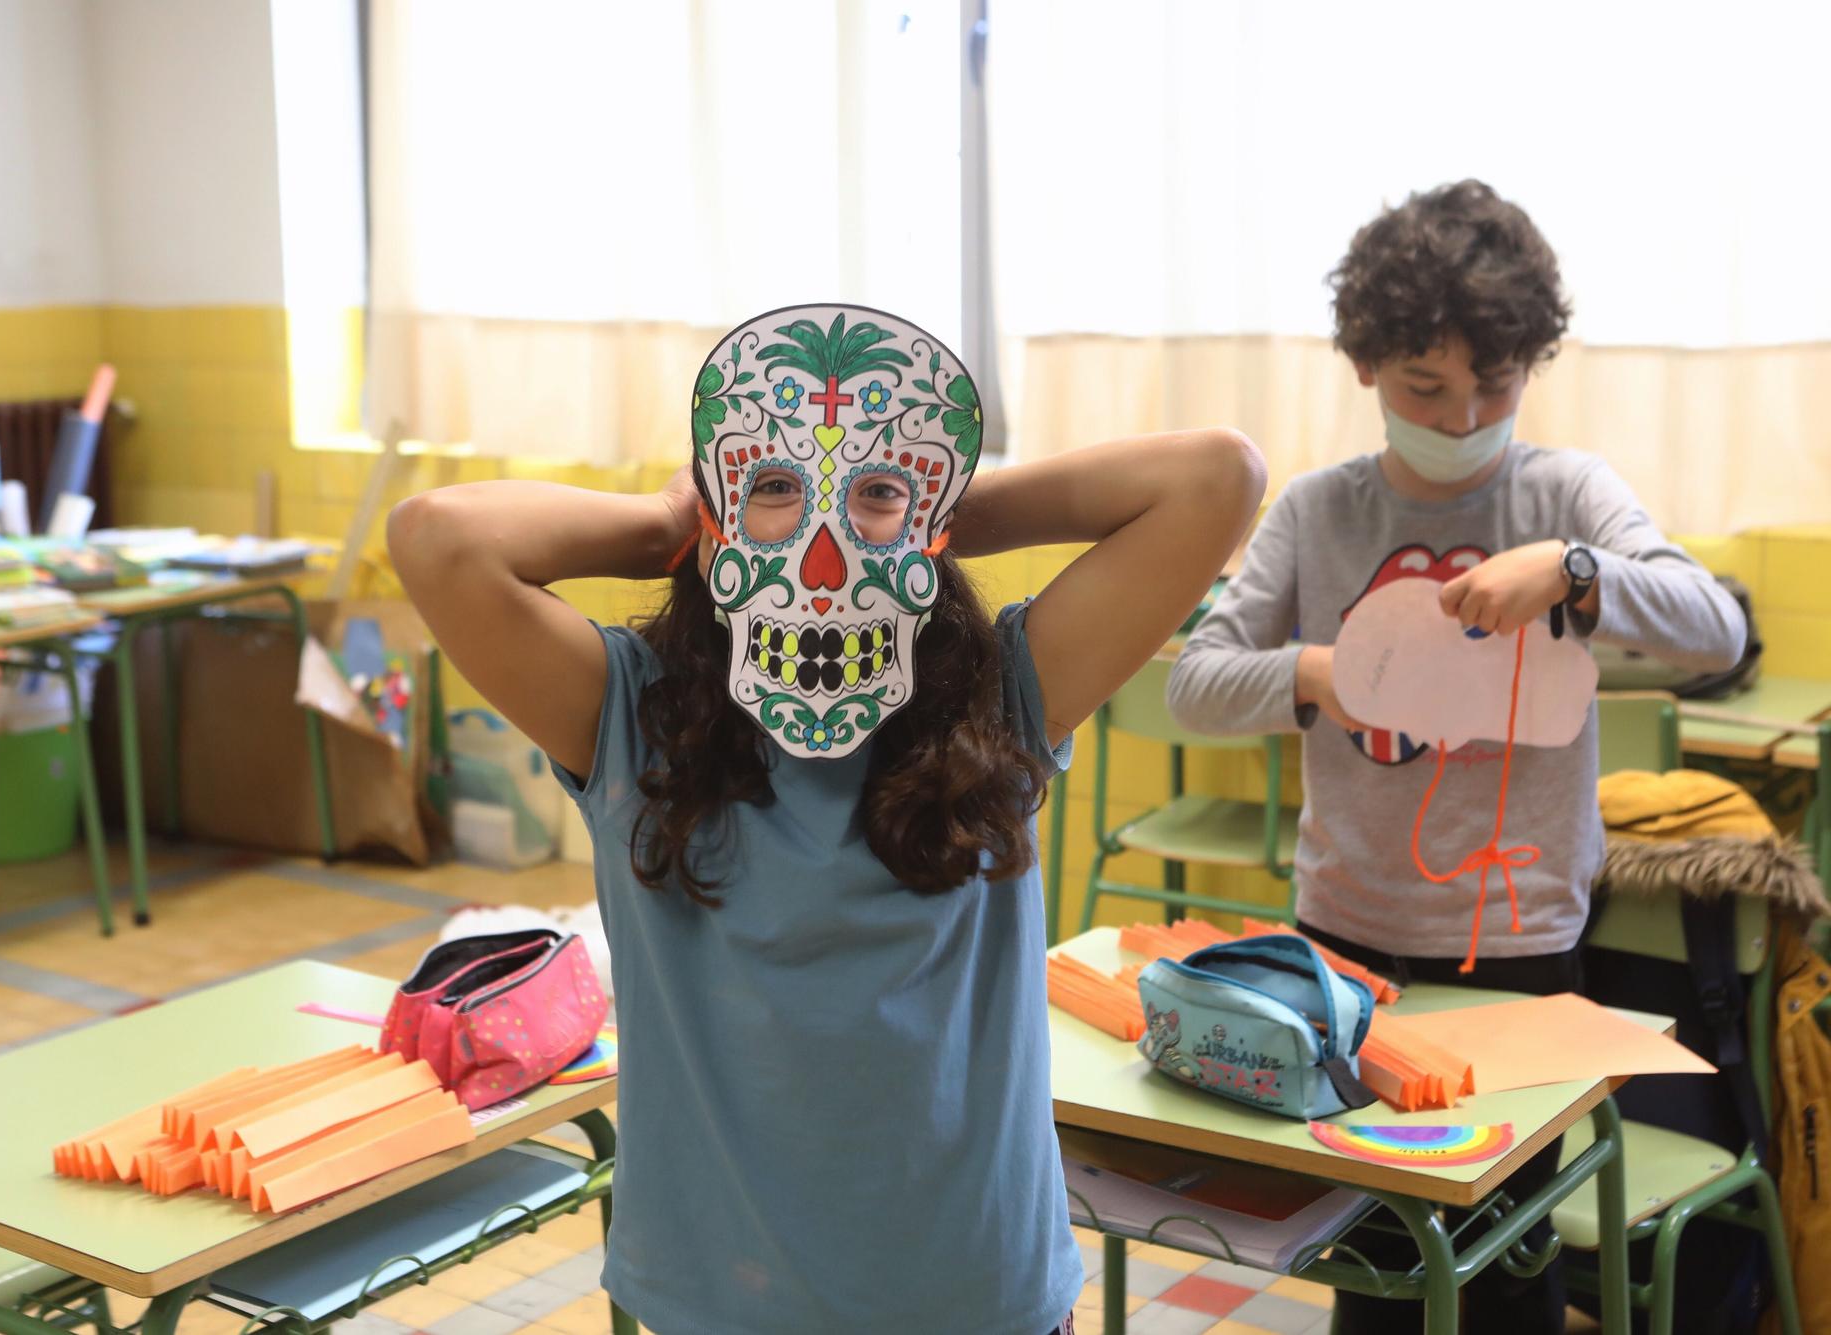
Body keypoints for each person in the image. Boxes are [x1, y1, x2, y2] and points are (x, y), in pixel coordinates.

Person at [390, 303, 1264, 1335]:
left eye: (878, 493)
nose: (818, 553)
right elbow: (436, 539)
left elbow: (1217, 479)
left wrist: (910, 515)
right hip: (723, 1301)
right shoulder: (631, 717)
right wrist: (661, 525)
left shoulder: (1003, 697)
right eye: (771, 490)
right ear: (718, 517)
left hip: (971, 1295)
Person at [1168, 181, 1747, 1332]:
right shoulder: (1316, 511)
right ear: (1365, 368)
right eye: (1423, 387)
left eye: (1493, 384)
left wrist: (1576, 572)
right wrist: (1320, 674)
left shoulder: (1562, 492)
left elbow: (1714, 628)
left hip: (1519, 945)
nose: (1458, 414)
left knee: (1505, 1254)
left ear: (1530, 363)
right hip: (1345, 946)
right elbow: (1192, 682)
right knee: (1372, 1251)